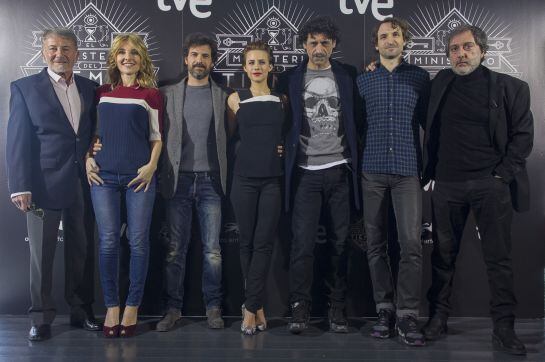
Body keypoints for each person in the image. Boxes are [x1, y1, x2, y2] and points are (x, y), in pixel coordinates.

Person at [421, 25, 533, 356]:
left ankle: (504, 328)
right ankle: (437, 319)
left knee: (498, 261)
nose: (461, 54)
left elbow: (523, 136)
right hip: (446, 185)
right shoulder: (439, 83)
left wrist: (501, 175)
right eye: (454, 49)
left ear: (482, 50)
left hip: (490, 185)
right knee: (442, 258)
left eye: (467, 47)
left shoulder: (510, 87)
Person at [6, 27, 101, 341]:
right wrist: (20, 185)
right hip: (42, 187)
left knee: (82, 250)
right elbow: (17, 141)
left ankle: (81, 310)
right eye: (53, 48)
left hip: (84, 184)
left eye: (66, 48)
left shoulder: (91, 88)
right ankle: (41, 317)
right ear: (43, 51)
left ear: (76, 52)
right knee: (41, 254)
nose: (59, 54)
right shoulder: (24, 88)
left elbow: (91, 133)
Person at [276, 16, 361, 334]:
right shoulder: (288, 79)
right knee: (302, 245)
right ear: (304, 45)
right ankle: (299, 308)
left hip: (340, 170)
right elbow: (274, 117)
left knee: (340, 244)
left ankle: (337, 308)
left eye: (325, 42)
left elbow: (359, 121)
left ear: (334, 44)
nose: (319, 48)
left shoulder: (348, 75)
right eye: (313, 42)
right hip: (304, 173)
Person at [356, 18, 429, 346]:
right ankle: (384, 308)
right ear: (376, 44)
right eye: (383, 36)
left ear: (404, 40)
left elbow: (432, 122)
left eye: (395, 35)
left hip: (407, 171)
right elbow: (356, 126)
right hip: (371, 170)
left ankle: (408, 314)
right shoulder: (363, 80)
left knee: (411, 245)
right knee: (375, 245)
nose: (389, 40)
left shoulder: (419, 78)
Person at [86, 33, 163, 338]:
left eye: (133, 52)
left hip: (139, 178)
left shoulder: (151, 95)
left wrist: (151, 167)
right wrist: (87, 158)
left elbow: (157, 137)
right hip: (103, 178)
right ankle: (111, 307)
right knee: (107, 241)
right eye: (122, 52)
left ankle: (132, 306)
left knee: (138, 242)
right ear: (114, 58)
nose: (128, 57)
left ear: (142, 58)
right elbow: (90, 132)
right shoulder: (101, 92)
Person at [155, 33, 230, 331]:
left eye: (206, 56)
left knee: (213, 250)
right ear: (185, 59)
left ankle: (214, 307)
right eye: (194, 55)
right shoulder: (166, 94)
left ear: (213, 61)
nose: (199, 61)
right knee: (175, 249)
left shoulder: (224, 96)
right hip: (178, 181)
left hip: (212, 181)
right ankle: (173, 309)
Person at [226, 41, 286, 335]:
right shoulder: (235, 99)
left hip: (272, 180)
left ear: (271, 66)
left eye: (263, 62)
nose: (257, 67)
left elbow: (286, 136)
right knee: (247, 244)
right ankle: (256, 306)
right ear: (245, 67)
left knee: (264, 244)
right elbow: (229, 138)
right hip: (243, 180)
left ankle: (249, 307)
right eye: (252, 62)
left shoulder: (281, 99)